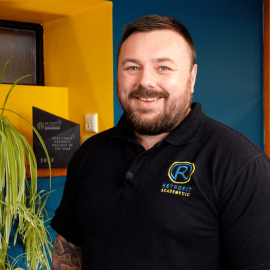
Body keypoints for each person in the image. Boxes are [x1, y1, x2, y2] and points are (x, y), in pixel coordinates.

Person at [51, 15, 270, 270]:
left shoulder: (241, 165)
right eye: (132, 67)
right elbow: (69, 246)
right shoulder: (88, 154)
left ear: (191, 77)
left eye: (163, 67)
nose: (145, 81)